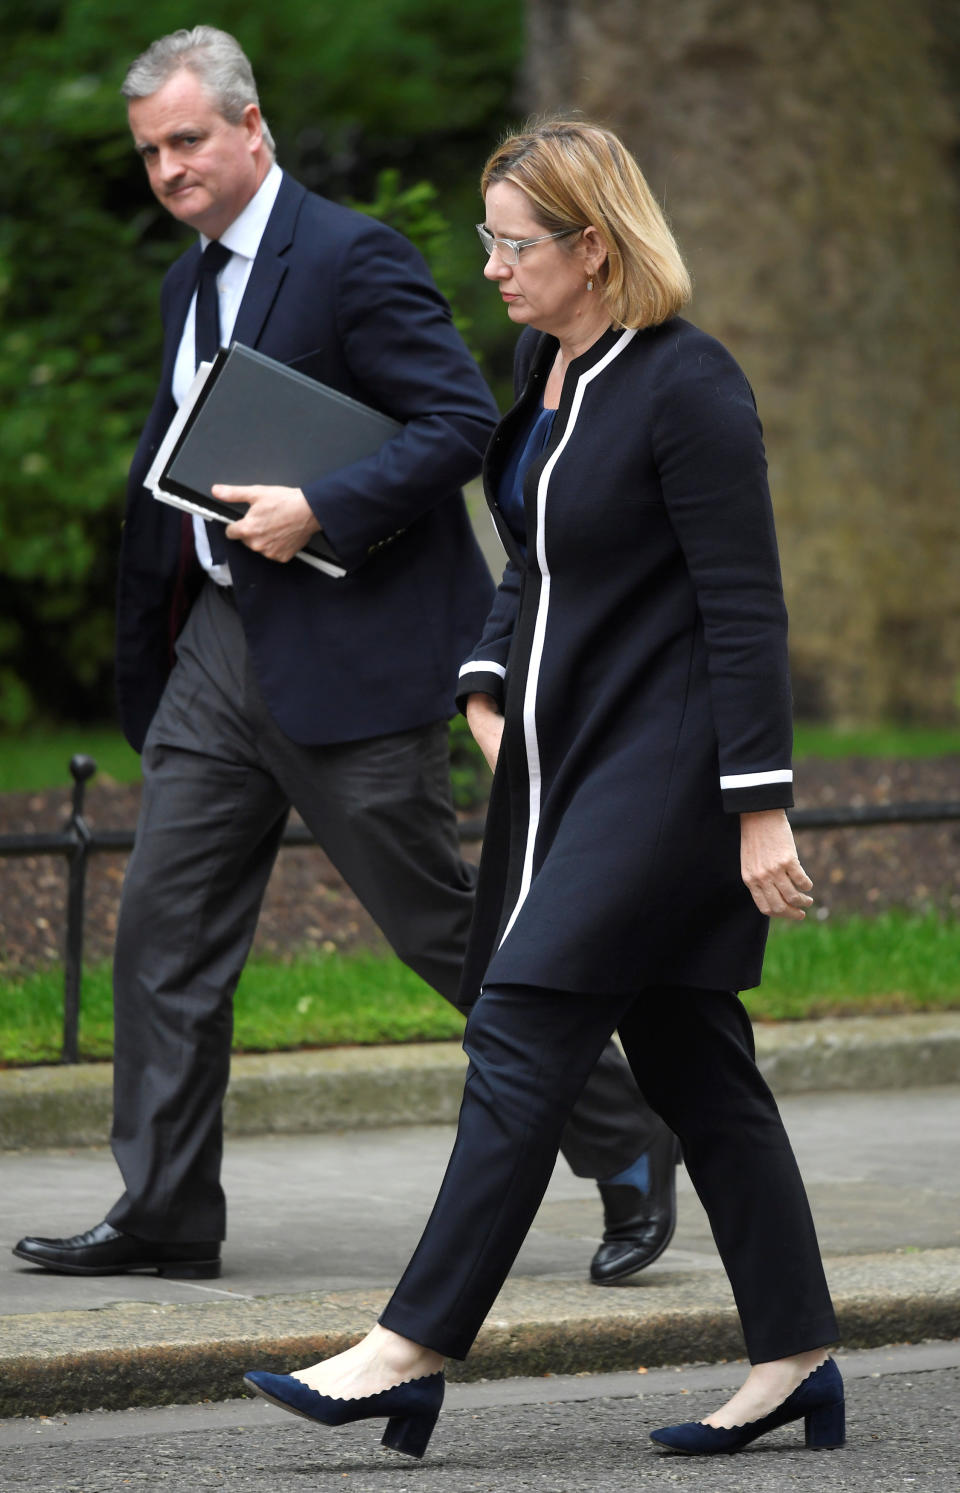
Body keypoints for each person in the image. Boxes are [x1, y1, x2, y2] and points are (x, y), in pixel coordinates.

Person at [11, 32, 678, 1286]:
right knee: (161, 934)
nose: (168, 167)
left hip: (350, 649)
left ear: (252, 129)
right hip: (216, 650)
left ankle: (627, 1128)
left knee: (440, 927)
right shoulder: (184, 286)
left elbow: (456, 423)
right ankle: (164, 1208)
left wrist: (320, 503)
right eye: (150, 150)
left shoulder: (350, 254)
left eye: (188, 140)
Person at [242, 119, 846, 1461]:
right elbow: (530, 557)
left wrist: (761, 804)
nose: (494, 267)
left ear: (593, 245)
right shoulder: (549, 365)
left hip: (671, 776)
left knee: (519, 1022)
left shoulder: (692, 388)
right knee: (699, 1061)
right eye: (489, 240)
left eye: (516, 244)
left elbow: (746, 611)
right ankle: (798, 1357)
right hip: (571, 765)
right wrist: (483, 674)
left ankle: (407, 1349)